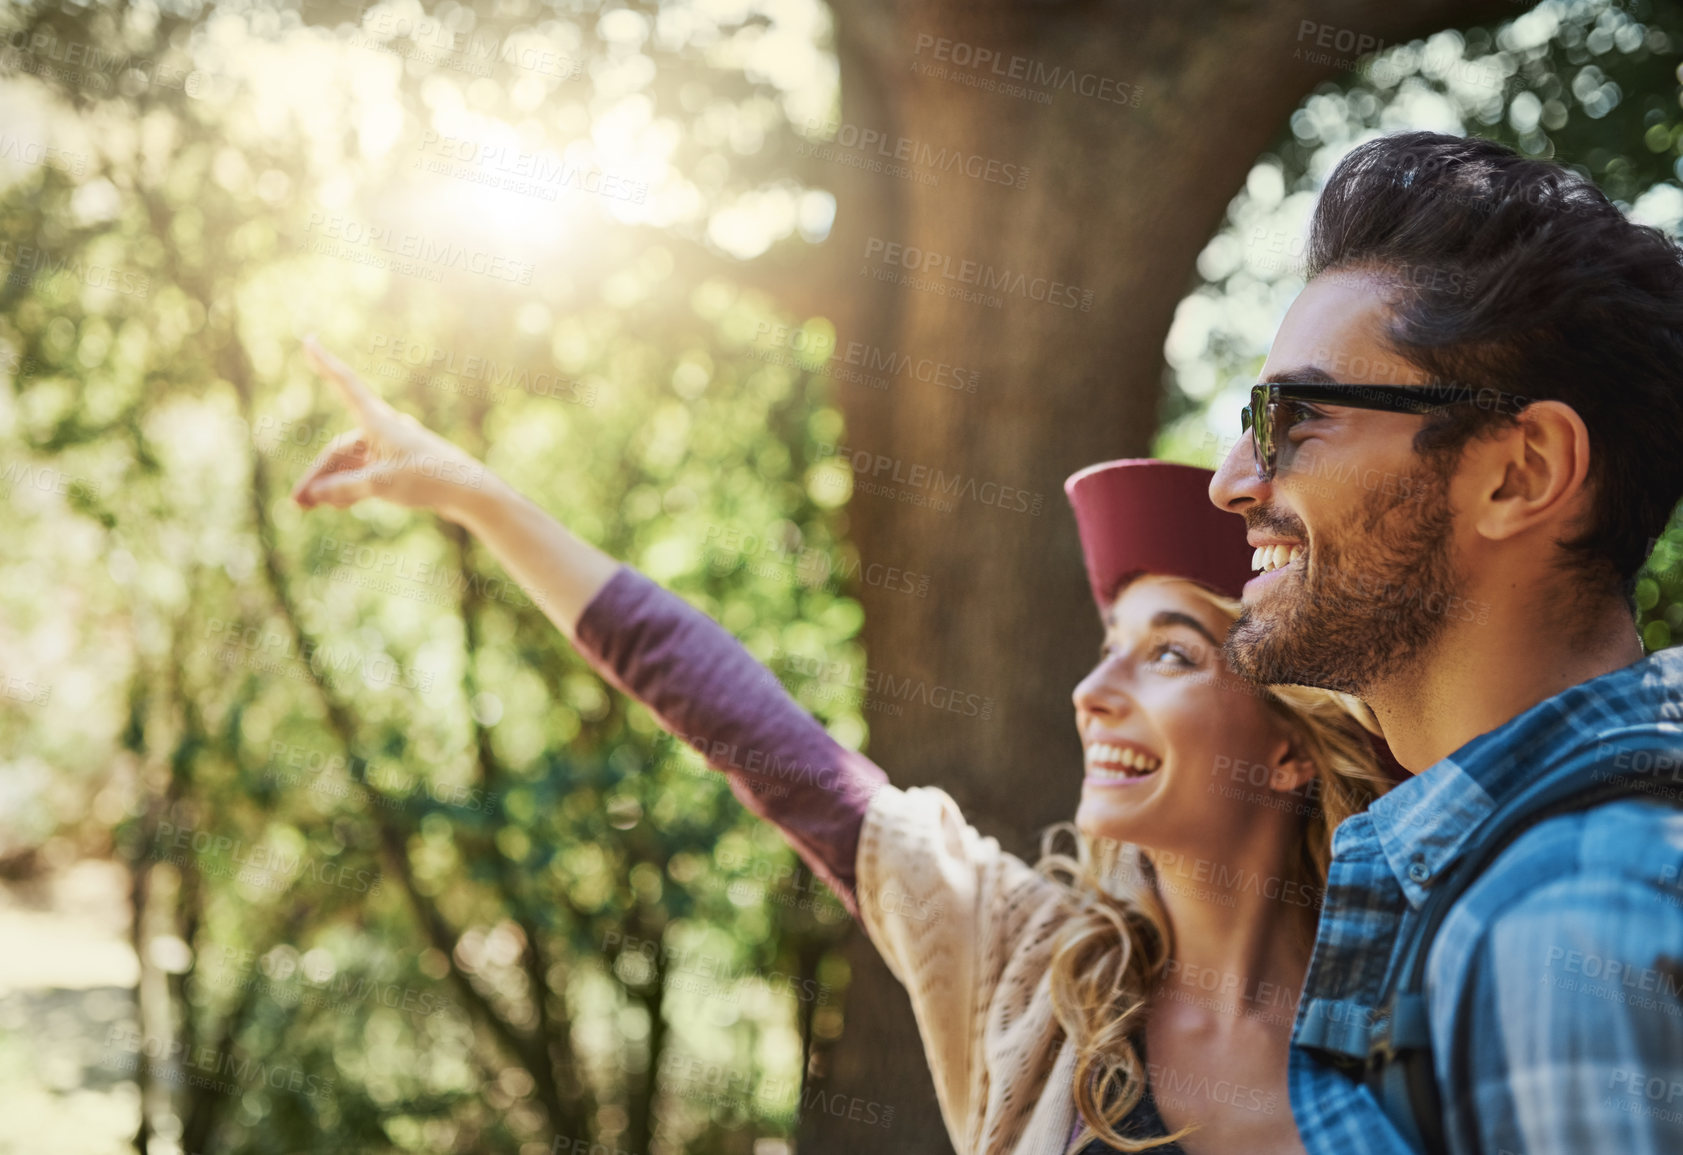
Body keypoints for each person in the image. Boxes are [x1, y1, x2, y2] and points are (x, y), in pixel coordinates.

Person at [288, 336, 1394, 1154]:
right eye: (1108, 645)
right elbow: (745, 725)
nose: (1093, 692)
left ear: (1296, 749)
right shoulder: (1026, 970)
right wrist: (474, 496)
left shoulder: (1423, 1018)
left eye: (1171, 656)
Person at [1207, 130, 1683, 1154]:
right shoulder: (1523, 886)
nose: (1233, 480)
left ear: (1522, 470)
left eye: (1295, 418)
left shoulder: (1559, 927)